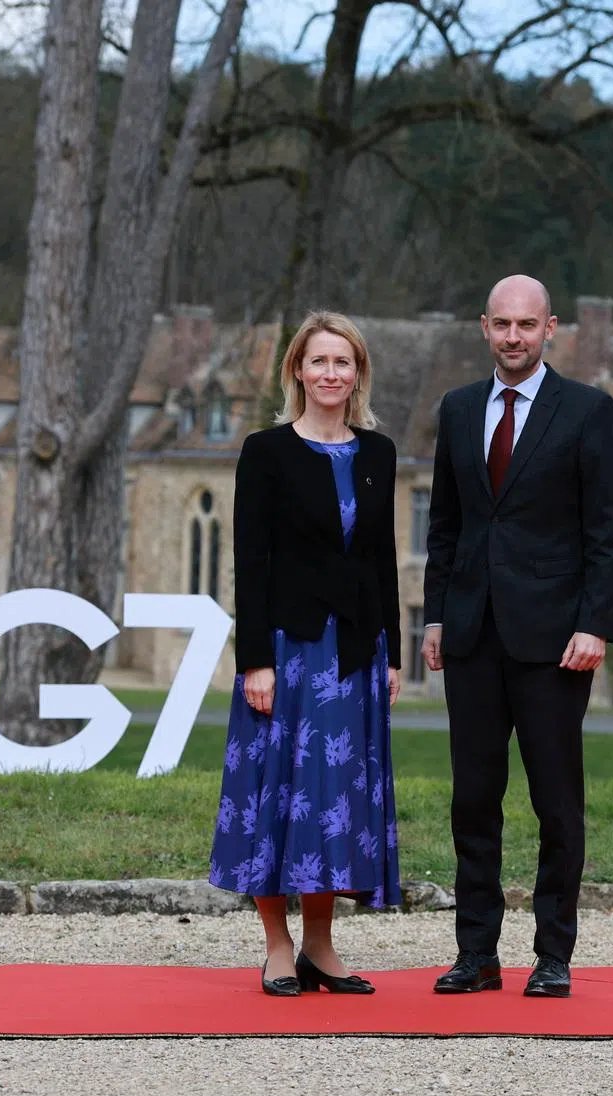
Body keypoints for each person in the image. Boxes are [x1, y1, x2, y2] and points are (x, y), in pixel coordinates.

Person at [421, 275, 613, 998]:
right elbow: (444, 526)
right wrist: (436, 616)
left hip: (554, 642)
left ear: (551, 329)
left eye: (527, 325)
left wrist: (594, 624)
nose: (514, 337)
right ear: (484, 327)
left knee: (555, 801)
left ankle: (553, 954)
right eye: (502, 324)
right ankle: (476, 954)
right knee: (473, 799)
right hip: (473, 633)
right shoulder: (457, 410)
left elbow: (608, 532)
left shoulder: (588, 412)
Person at [210, 310, 403, 997]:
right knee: (278, 792)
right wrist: (252, 659)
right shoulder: (266, 452)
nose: (330, 374)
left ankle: (322, 944)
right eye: (318, 362)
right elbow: (249, 561)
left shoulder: (377, 454)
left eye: (343, 363)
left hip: (355, 651)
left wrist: (395, 655)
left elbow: (383, 560)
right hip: (287, 652)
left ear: (358, 375)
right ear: (297, 369)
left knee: (333, 799)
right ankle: (277, 944)